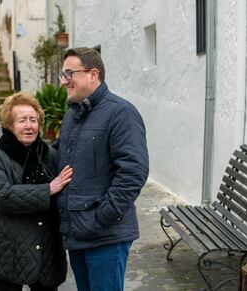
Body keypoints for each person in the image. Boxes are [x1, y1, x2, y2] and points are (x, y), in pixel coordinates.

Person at [55, 47, 149, 291]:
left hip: (106, 235)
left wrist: (102, 217)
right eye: (62, 75)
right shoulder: (72, 115)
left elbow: (133, 172)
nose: (64, 81)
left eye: (69, 74)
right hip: (77, 232)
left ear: (92, 74)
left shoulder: (121, 113)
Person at [0, 92, 73, 291]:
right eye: (22, 120)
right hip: (8, 249)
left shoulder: (51, 156)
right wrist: (48, 189)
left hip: (46, 248)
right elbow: (1, 197)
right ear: (9, 125)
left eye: (33, 120)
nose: (29, 125)